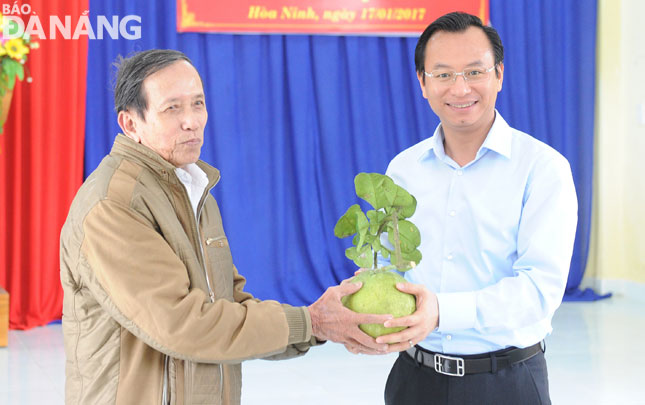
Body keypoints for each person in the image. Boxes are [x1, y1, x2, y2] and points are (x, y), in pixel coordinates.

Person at [59, 49, 392, 405]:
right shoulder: (114, 205)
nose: (192, 120)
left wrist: (319, 326)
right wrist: (312, 321)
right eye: (172, 108)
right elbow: (183, 325)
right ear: (130, 124)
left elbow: (230, 304)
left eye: (198, 104)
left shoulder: (192, 187)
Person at [344, 12, 578, 404]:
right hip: (414, 379)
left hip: (506, 382)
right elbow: (391, 267)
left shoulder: (543, 168)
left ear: (499, 75)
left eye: (474, 72)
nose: (460, 88)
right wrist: (366, 306)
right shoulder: (403, 170)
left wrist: (441, 311)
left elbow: (539, 290)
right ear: (422, 82)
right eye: (443, 74)